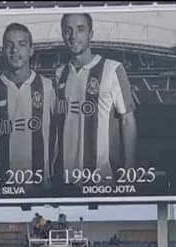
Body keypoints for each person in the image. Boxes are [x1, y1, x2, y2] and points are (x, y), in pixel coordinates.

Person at [54, 12, 137, 182]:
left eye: (80, 29)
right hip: (67, 178)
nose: (73, 36)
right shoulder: (60, 74)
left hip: (104, 178)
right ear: (63, 35)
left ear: (90, 34)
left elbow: (127, 120)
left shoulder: (113, 69)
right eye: (68, 30)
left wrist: (130, 169)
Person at [0, 22, 56, 184]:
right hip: (1, 183)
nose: (15, 50)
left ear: (31, 50)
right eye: (9, 45)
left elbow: (59, 131)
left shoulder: (48, 87)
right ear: (3, 51)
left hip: (39, 182)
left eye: (22, 44)